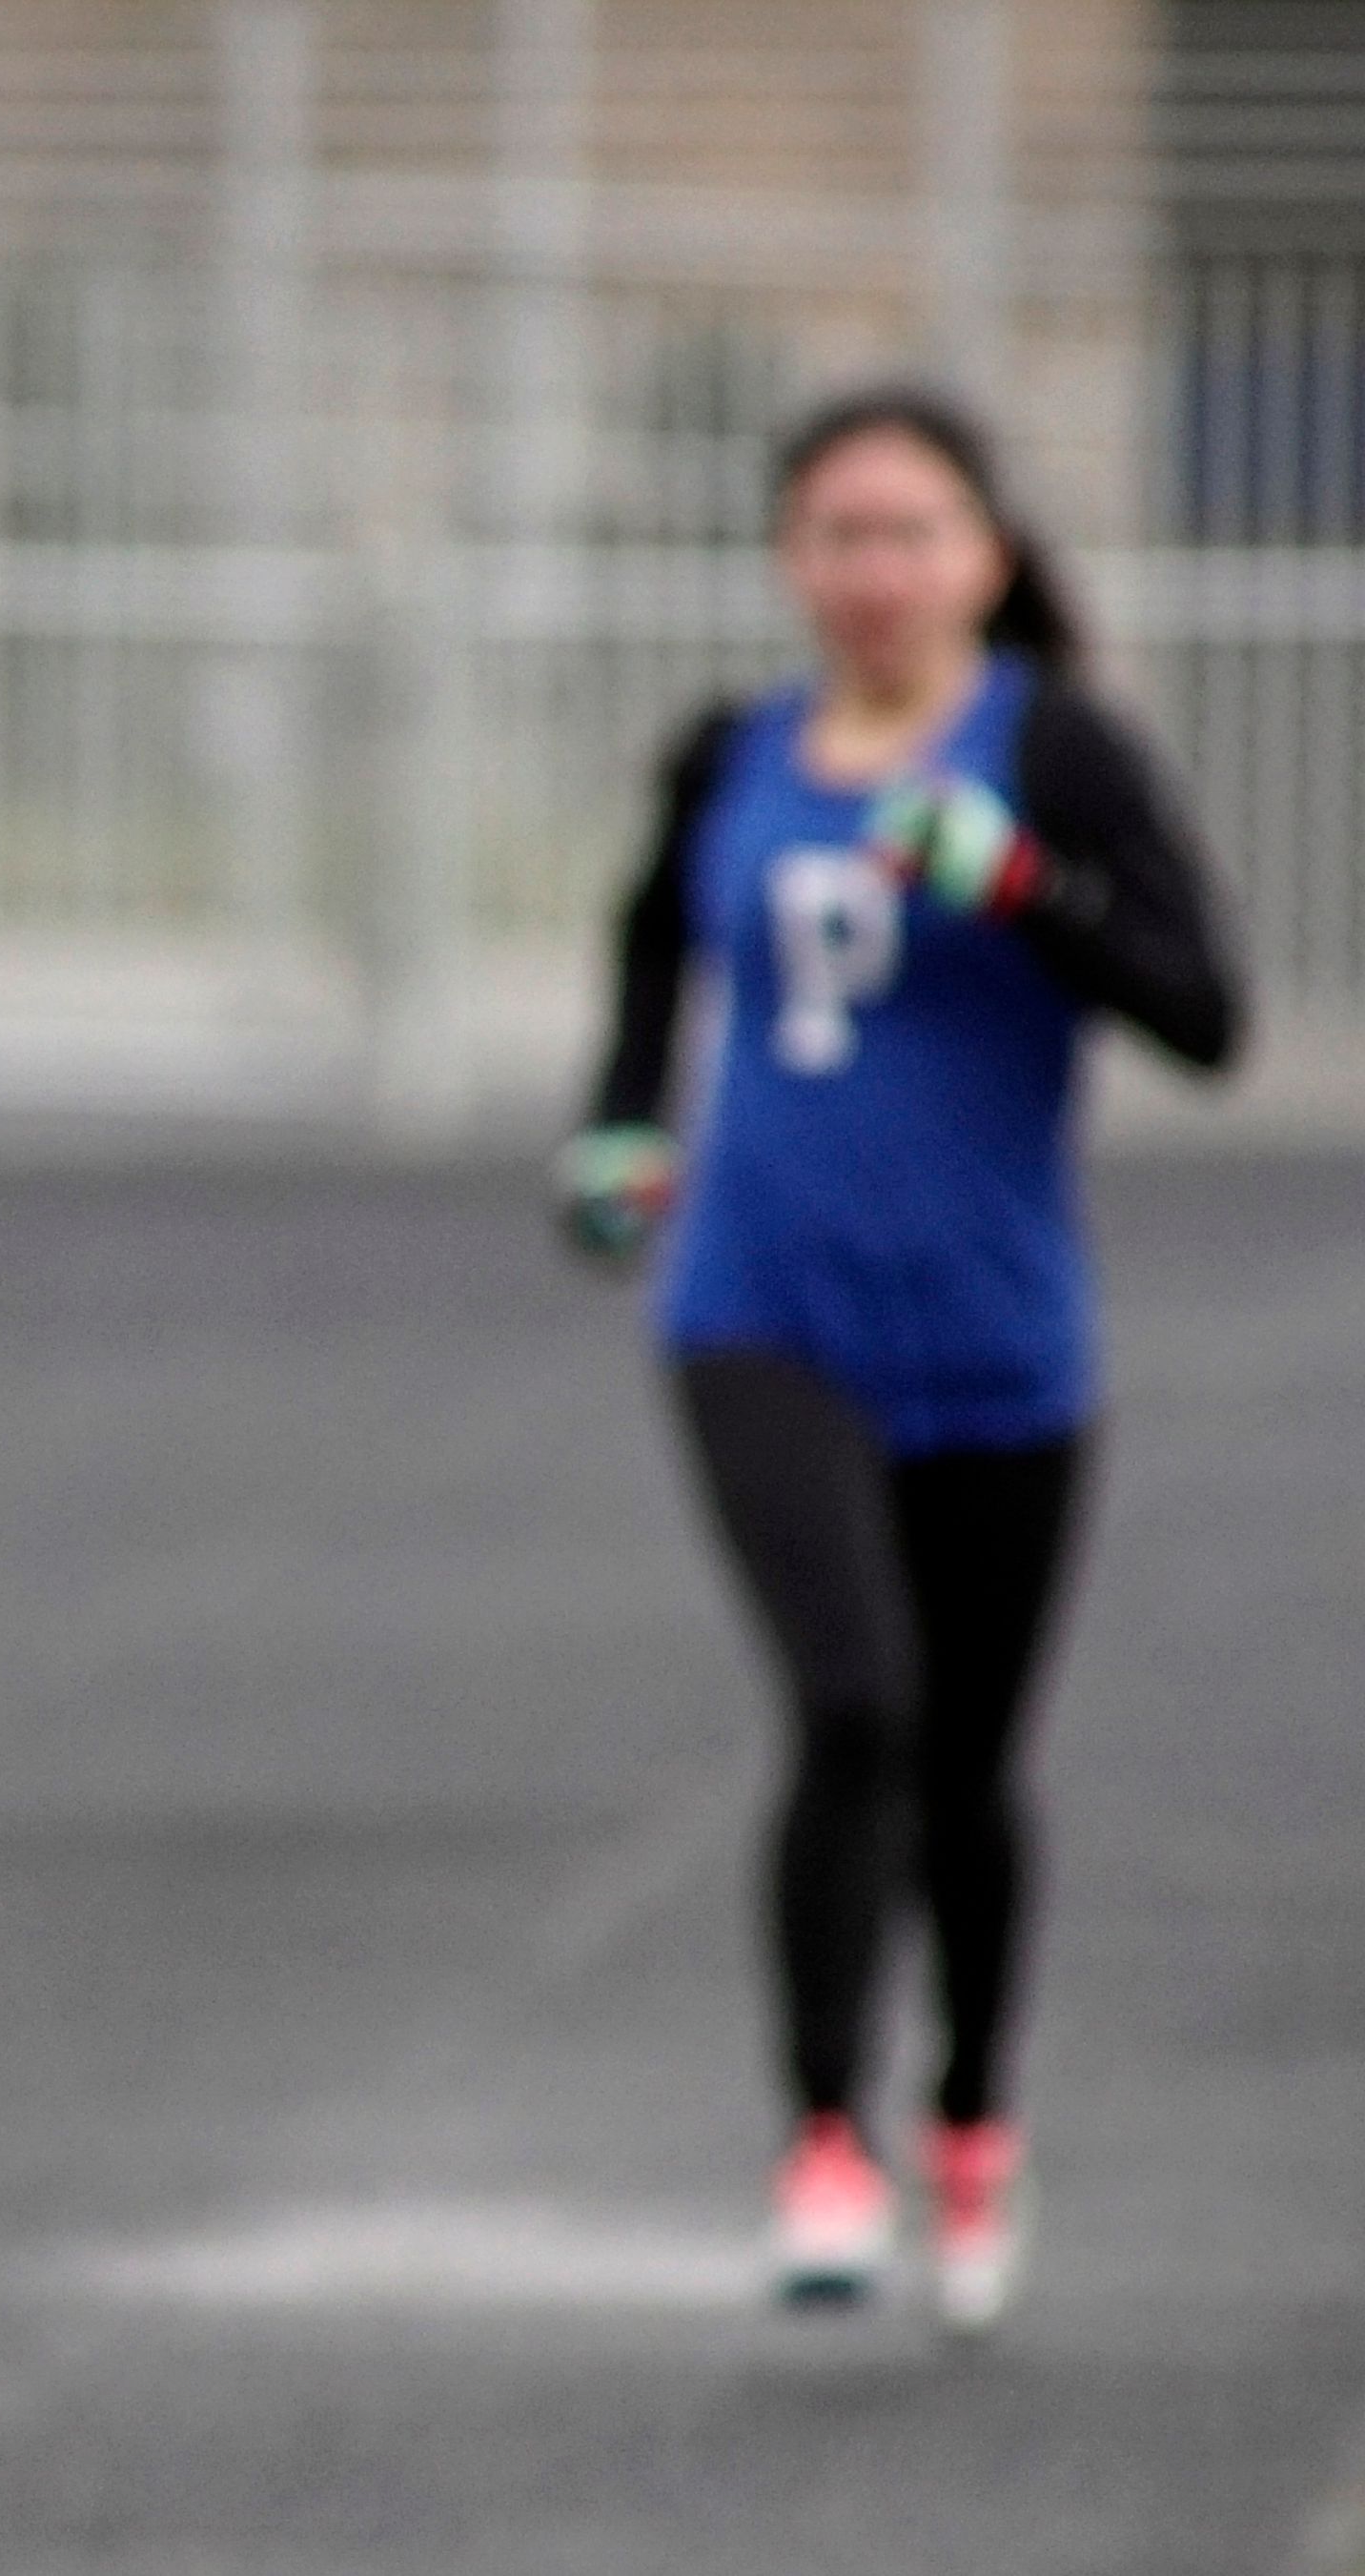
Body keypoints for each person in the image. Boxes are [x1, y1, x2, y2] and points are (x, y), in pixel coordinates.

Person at [554, 384, 1240, 2333]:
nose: (873, 570)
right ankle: (821, 2135)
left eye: (912, 531)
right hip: (763, 1309)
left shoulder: (1061, 751)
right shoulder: (729, 758)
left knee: (965, 1760)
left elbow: (1205, 1012)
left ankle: (971, 2113)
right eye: (839, 532)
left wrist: (1021, 886)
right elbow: (642, 966)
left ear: (987, 558)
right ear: (792, 560)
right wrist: (617, 1133)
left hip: (1002, 1335)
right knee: (850, 1701)